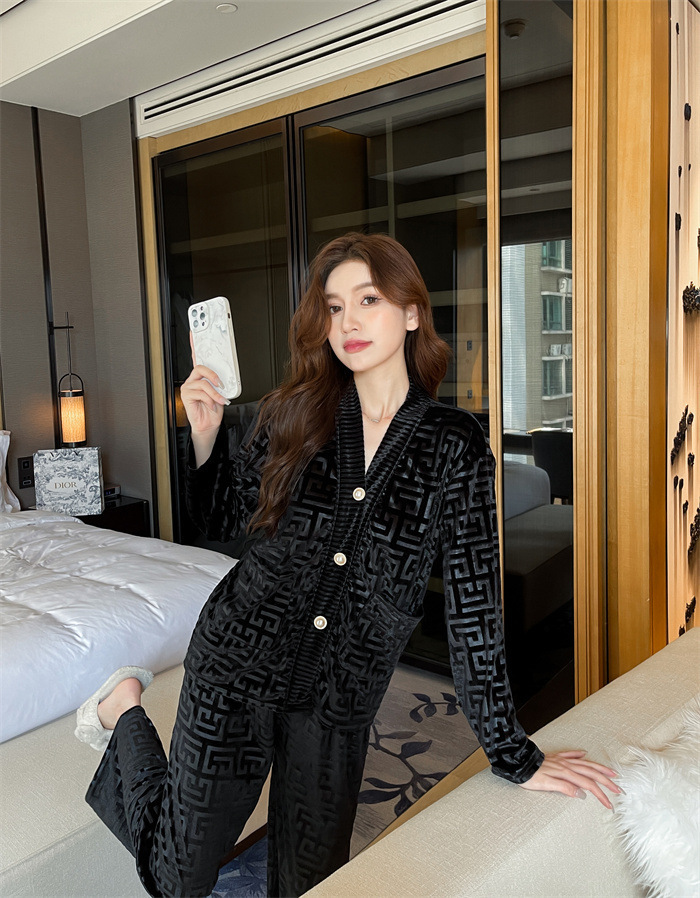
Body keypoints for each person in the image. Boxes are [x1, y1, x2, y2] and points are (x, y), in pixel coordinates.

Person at [78, 232, 619, 898]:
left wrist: (514, 754)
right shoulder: (291, 413)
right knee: (174, 880)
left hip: (338, 700)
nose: (348, 322)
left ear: (412, 312)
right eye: (334, 307)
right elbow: (222, 526)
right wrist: (206, 435)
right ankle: (124, 710)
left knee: (311, 885)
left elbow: (473, 610)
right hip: (237, 663)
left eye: (368, 300)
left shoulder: (454, 445)